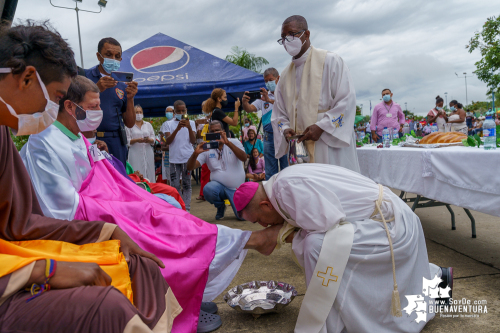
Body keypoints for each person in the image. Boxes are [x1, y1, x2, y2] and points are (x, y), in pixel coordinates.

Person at [20, 75, 286, 332]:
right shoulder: (44, 144)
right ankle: (246, 245)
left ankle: (205, 277)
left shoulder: (78, 137)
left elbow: (110, 178)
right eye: (93, 107)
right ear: (69, 106)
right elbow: (62, 211)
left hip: (111, 202)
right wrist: (126, 206)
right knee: (158, 221)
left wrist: (136, 196)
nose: (99, 113)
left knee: (168, 207)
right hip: (91, 220)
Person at [0, 21, 180, 333]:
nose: (54, 111)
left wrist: (106, 231)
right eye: (57, 98)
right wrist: (43, 269)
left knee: (138, 265)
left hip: (15, 254)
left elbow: (19, 224)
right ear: (28, 78)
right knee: (105, 307)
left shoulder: (3, 130)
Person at [234, 164, 453, 333]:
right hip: (380, 221)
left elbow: (329, 230)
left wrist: (277, 235)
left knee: (316, 246)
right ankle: (435, 278)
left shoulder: (287, 190)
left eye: (259, 221)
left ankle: (333, 319)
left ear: (265, 205)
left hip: (392, 225)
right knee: (316, 245)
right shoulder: (279, 186)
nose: (264, 225)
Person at [272, 16, 360, 172]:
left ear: (307, 34)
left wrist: (322, 126)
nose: (287, 41)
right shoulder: (284, 77)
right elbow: (279, 114)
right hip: (300, 146)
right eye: (283, 38)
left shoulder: (331, 61)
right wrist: (285, 129)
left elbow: (347, 100)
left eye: (292, 34)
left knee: (334, 184)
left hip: (328, 142)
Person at [84, 37, 138, 166]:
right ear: (99, 56)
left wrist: (130, 98)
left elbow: (130, 123)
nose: (113, 59)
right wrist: (96, 89)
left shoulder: (122, 86)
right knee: (96, 180)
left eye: (117, 56)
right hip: (92, 140)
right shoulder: (85, 78)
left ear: (120, 59)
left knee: (119, 180)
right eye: (108, 55)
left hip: (117, 141)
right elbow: (75, 108)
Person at [187, 120, 246, 220]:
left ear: (223, 131)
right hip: (219, 188)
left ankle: (236, 203)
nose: (214, 133)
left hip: (236, 189)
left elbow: (244, 158)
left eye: (217, 131)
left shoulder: (234, 142)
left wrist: (227, 143)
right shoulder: (206, 148)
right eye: (212, 131)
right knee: (208, 189)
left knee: (242, 218)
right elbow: (190, 167)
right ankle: (220, 206)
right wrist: (195, 154)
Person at [242, 67, 289, 180]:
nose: (268, 83)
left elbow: (288, 108)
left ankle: (286, 192)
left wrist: (270, 100)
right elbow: (250, 108)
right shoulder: (263, 98)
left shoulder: (285, 93)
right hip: (269, 136)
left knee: (286, 168)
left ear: (278, 78)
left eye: (270, 80)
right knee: (270, 170)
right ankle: (271, 194)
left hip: (284, 135)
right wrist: (244, 102)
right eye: (266, 81)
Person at [164, 100, 196, 212]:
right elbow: (168, 141)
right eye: (178, 111)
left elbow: (193, 140)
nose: (181, 113)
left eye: (183, 110)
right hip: (174, 159)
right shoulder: (168, 124)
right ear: (174, 112)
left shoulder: (191, 123)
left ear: (186, 110)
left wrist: (189, 128)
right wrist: (177, 128)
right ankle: (180, 207)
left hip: (187, 158)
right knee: (175, 185)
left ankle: (186, 208)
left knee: (187, 184)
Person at [126, 105, 155, 182]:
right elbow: (127, 141)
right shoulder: (129, 126)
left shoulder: (148, 125)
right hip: (135, 153)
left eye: (140, 112)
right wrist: (136, 140)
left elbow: (153, 139)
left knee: (150, 172)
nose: (139, 114)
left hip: (148, 151)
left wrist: (149, 140)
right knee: (136, 171)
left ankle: (151, 190)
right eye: (136, 112)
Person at [159, 105, 174, 184]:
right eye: (167, 111)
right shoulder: (164, 124)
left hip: (175, 151)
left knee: (178, 173)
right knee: (168, 173)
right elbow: (161, 140)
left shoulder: (178, 123)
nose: (169, 113)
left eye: (170, 111)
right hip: (167, 152)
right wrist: (162, 140)